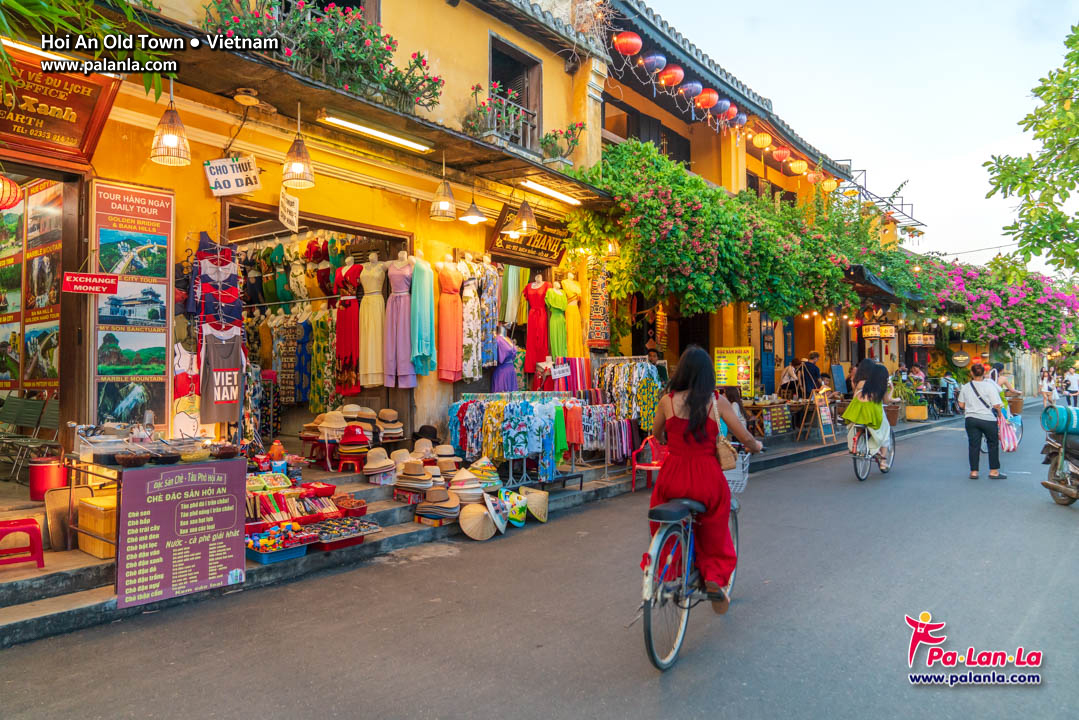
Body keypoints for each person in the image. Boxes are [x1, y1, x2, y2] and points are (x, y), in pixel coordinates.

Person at [650, 346, 762, 614]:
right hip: (706, 477)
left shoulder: (667, 400)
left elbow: (657, 434)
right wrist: (755, 445)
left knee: (664, 517)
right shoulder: (717, 401)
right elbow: (744, 436)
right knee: (714, 522)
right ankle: (713, 575)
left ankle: (670, 566)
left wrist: (671, 439)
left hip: (672, 476)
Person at [958, 363, 1006, 479]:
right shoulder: (989, 387)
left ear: (971, 373)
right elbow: (996, 405)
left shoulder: (966, 387)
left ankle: (974, 472)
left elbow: (961, 404)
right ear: (984, 373)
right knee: (993, 444)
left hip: (971, 419)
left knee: (973, 445)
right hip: (988, 419)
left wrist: (971, 407)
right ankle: (993, 471)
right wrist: (999, 415)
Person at [841, 362, 893, 470]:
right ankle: (883, 462)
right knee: (885, 430)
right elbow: (887, 401)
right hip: (871, 414)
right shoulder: (880, 385)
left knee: (857, 426)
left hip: (856, 413)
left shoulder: (861, 383)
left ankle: (860, 445)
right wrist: (892, 389)